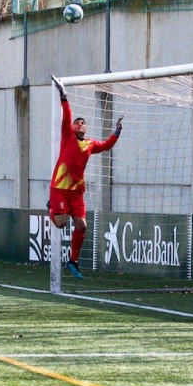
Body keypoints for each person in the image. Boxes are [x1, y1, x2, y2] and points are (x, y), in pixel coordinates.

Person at [49, 75, 123, 280]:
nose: (80, 124)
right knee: (62, 223)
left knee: (82, 225)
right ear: (72, 128)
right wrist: (63, 94)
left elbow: (106, 146)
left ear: (86, 128)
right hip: (60, 188)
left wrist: (116, 132)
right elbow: (67, 114)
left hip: (77, 192)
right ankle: (51, 208)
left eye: (83, 123)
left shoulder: (90, 145)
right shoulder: (68, 136)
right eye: (77, 123)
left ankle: (73, 261)